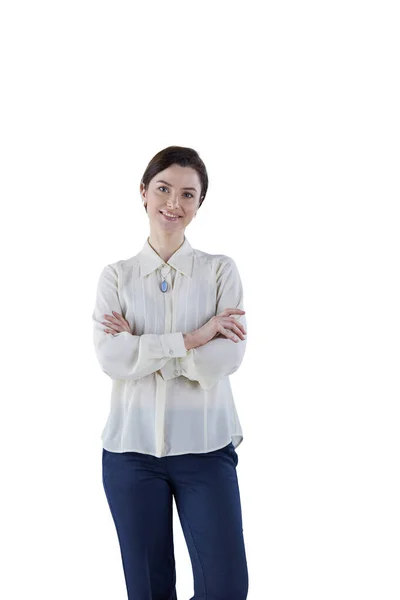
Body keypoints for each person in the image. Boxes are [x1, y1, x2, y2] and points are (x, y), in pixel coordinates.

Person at [92, 145, 249, 600]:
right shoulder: (115, 278)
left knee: (226, 588)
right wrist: (194, 338)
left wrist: (145, 348)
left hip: (206, 448)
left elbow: (227, 360)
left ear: (199, 205)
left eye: (187, 194)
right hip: (130, 453)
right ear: (143, 193)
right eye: (163, 189)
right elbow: (111, 360)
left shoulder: (221, 272)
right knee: (148, 591)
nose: (173, 203)